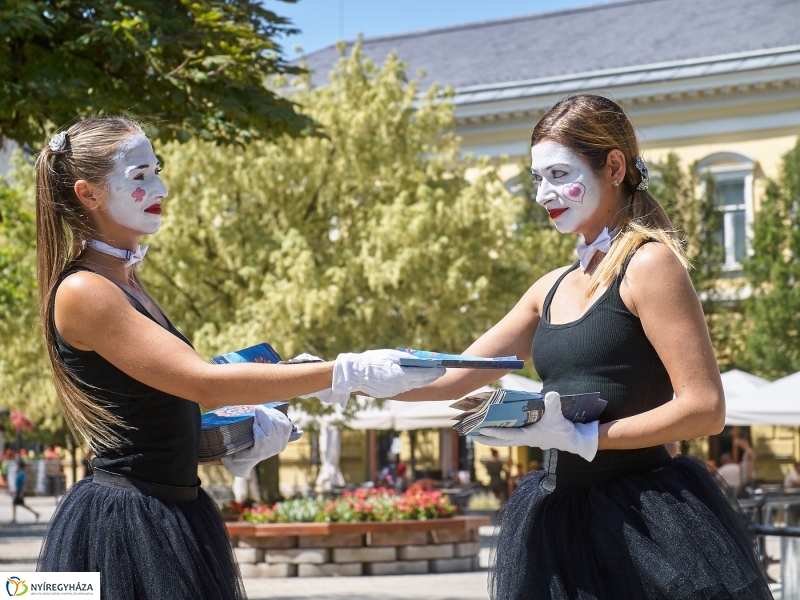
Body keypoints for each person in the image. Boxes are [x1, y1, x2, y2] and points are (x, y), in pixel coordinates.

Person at [34, 117, 443, 599]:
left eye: (157, 169)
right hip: (128, 524)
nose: (160, 186)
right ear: (89, 194)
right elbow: (202, 383)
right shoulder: (86, 289)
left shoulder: (125, 280)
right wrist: (341, 372)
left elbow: (162, 409)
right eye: (140, 175)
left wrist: (229, 440)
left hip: (167, 509)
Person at [395, 95, 770, 598]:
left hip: (647, 525)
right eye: (536, 179)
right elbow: (455, 375)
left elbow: (704, 410)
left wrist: (585, 437)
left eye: (556, 174)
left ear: (614, 165)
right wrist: (343, 377)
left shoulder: (650, 265)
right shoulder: (550, 286)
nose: (541, 194)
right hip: (558, 517)